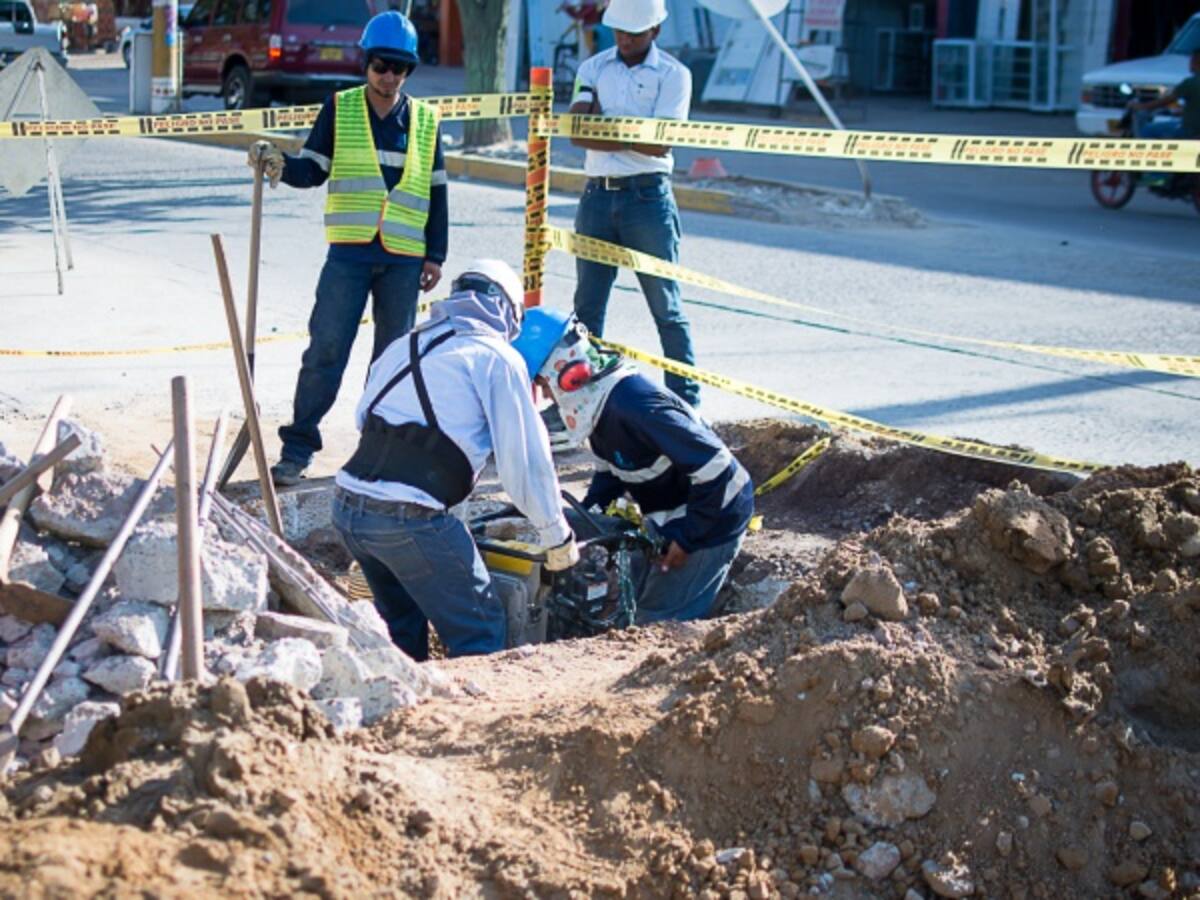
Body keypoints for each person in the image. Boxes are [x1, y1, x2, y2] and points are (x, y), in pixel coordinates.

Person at [332, 261, 580, 661]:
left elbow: (365, 419)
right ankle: (473, 722)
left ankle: (401, 712)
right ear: (506, 310)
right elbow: (525, 462)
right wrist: (557, 536)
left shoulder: (405, 344)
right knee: (480, 630)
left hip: (348, 509)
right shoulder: (496, 356)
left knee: (400, 633)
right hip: (409, 519)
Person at [246, 10, 448, 486]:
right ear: (366, 63)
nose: (388, 76)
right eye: (381, 65)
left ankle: (378, 452)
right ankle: (298, 447)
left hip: (402, 258)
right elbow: (312, 170)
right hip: (350, 254)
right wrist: (277, 162)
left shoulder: (425, 121)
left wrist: (435, 254)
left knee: (391, 360)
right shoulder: (340, 109)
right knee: (327, 350)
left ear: (408, 71)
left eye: (398, 68)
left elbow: (437, 193)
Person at [514, 308, 752, 624]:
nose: (545, 394)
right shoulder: (598, 405)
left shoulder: (635, 406)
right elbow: (609, 473)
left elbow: (721, 472)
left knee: (655, 623)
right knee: (578, 546)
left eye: (543, 383)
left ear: (564, 372)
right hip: (668, 517)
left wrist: (688, 537)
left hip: (711, 518)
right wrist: (593, 522)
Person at [567, 0, 700, 408]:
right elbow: (577, 130)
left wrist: (604, 128)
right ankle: (585, 401)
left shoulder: (675, 75)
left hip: (648, 197)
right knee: (587, 308)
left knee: (666, 307)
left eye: (634, 33)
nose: (624, 39)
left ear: (655, 31)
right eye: (619, 31)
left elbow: (659, 144)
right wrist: (631, 134)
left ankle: (685, 402)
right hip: (597, 195)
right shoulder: (593, 67)